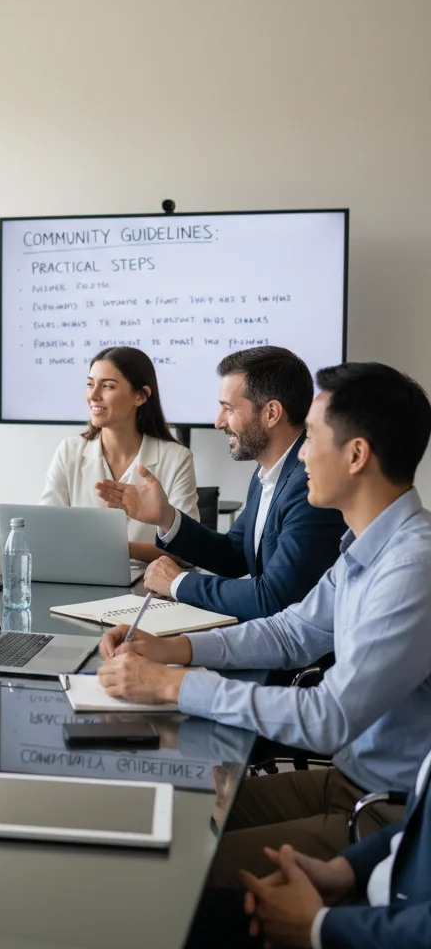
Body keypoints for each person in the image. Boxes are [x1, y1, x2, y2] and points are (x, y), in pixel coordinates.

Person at [96, 362, 431, 884]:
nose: (299, 453)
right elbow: (291, 631)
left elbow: (328, 716)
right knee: (171, 811)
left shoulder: (412, 568)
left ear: (357, 454)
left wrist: (174, 686)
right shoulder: (367, 546)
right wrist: (173, 649)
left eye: (312, 438)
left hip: (388, 814)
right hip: (349, 780)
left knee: (178, 872)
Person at [96, 346, 346, 620]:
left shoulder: (308, 483)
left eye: (228, 408)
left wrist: (178, 583)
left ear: (272, 413)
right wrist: (166, 517)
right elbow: (234, 555)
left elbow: (274, 598)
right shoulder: (269, 473)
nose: (218, 423)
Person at [187, 737, 431, 948]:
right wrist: (344, 870)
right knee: (189, 821)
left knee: (192, 892)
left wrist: (319, 927)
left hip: (373, 929)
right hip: (372, 908)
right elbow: (415, 827)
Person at [39, 345, 199, 563]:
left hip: (147, 584)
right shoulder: (69, 450)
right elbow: (45, 530)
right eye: (90, 384)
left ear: (140, 397)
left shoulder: (177, 458)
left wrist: (120, 549)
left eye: (107, 386)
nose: (93, 396)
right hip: (81, 578)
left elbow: (189, 551)